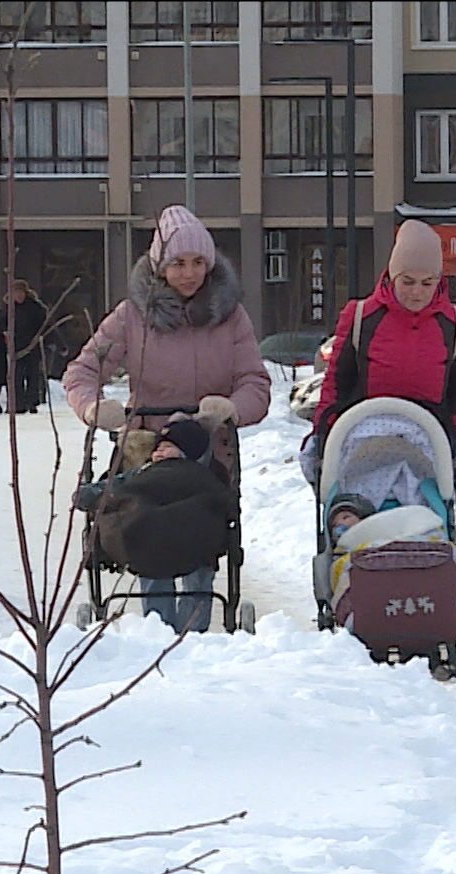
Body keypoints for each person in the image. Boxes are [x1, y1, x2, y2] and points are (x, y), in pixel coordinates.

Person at [64, 205, 269, 632]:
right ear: (160, 265)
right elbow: (83, 371)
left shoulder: (231, 318)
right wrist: (91, 406)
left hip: (206, 450)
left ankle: (194, 626)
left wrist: (231, 408)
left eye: (198, 263)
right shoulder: (131, 317)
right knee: (150, 530)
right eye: (178, 263)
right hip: (146, 450)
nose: (189, 273)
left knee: (201, 531)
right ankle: (156, 627)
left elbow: (255, 383)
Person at [301, 220, 456, 484]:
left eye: (427, 283)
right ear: (392, 276)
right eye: (407, 282)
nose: (417, 292)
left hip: (429, 441)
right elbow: (337, 382)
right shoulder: (363, 316)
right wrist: (324, 434)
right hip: (364, 436)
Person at [74, 416, 234, 634]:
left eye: (167, 448)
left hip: (188, 534)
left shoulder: (204, 475)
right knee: (154, 556)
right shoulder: (142, 472)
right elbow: (100, 491)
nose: (158, 453)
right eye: (157, 448)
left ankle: (186, 629)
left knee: (187, 570)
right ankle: (162, 627)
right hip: (151, 534)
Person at [8, 279, 49, 414]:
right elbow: (1, 323)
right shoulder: (9, 309)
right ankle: (18, 404)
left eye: (21, 293)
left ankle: (32, 402)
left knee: (33, 376)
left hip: (32, 347)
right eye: (16, 293)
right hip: (17, 349)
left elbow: (44, 325)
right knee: (17, 377)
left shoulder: (34, 307)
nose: (19, 296)